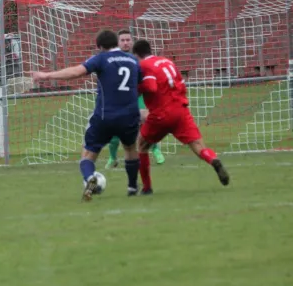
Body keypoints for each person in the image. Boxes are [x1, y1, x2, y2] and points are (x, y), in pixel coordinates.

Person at [31, 30, 142, 200]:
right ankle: (132, 187)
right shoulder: (134, 61)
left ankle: (90, 178)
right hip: (129, 115)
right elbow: (140, 84)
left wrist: (47, 75)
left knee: (88, 154)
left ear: (100, 47)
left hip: (105, 116)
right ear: (117, 43)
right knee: (130, 148)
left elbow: (76, 72)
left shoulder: (101, 58)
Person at [132, 39, 230, 194]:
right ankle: (213, 160)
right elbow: (180, 83)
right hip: (180, 110)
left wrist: (136, 91)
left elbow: (150, 87)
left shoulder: (144, 65)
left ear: (137, 55)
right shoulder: (166, 61)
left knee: (141, 146)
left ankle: (147, 188)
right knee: (198, 146)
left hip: (161, 113)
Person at [106, 29, 165, 169]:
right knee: (114, 129)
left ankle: (156, 151)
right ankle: (112, 157)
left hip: (136, 96)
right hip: (118, 99)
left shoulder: (138, 59)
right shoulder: (112, 59)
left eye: (128, 40)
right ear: (118, 42)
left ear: (132, 42)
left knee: (146, 122)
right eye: (123, 40)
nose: (126, 42)